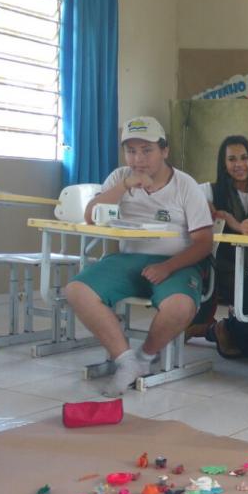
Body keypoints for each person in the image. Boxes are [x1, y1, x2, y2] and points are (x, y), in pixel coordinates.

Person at [65, 116, 213, 396]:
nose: (138, 159)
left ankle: (145, 357)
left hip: (177, 263)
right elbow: (91, 217)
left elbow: (204, 242)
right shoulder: (119, 177)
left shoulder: (185, 185)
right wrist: (125, 186)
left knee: (180, 306)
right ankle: (125, 360)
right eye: (131, 151)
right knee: (77, 290)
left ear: (164, 151)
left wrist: (168, 267)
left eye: (147, 150)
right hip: (128, 259)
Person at [192, 135, 248, 358]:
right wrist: (232, 222)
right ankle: (219, 328)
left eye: (244, 158)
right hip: (224, 268)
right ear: (223, 163)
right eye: (232, 159)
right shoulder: (208, 190)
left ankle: (216, 329)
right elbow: (197, 209)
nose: (239, 164)